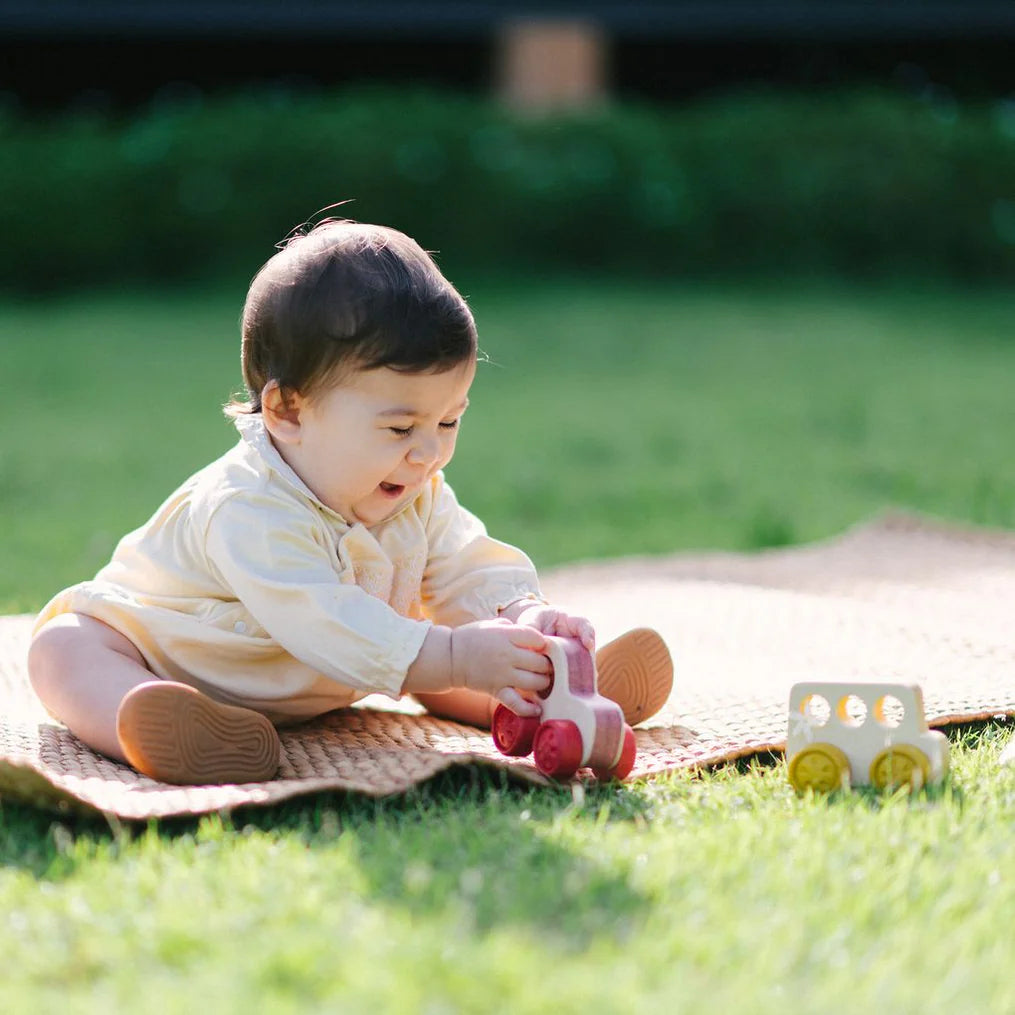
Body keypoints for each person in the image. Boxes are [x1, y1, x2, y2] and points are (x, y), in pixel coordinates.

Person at [27, 219, 673, 785]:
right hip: (178, 658)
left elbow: (466, 563)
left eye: (449, 421)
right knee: (62, 647)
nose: (429, 452)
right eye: (400, 427)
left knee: (455, 651)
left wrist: (521, 616)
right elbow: (323, 619)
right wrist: (452, 655)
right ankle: (157, 722)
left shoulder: (414, 490)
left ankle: (541, 694)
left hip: (330, 673)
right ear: (288, 411)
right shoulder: (247, 507)